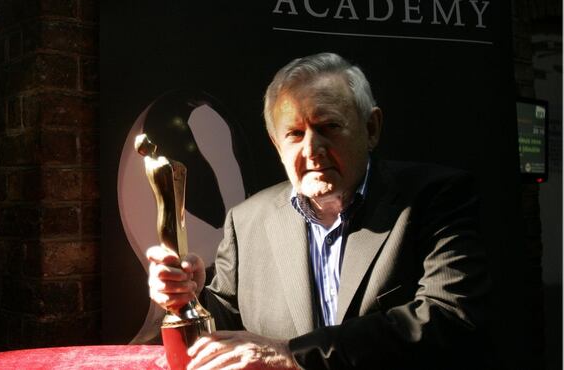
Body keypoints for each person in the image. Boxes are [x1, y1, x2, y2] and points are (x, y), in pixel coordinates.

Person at [146, 52, 490, 369]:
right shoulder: (246, 220)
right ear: (276, 144)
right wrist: (190, 297)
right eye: (295, 134)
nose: (312, 149)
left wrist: (292, 354)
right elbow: (228, 325)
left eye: (329, 127)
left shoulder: (435, 198)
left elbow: (449, 317)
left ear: (371, 128)